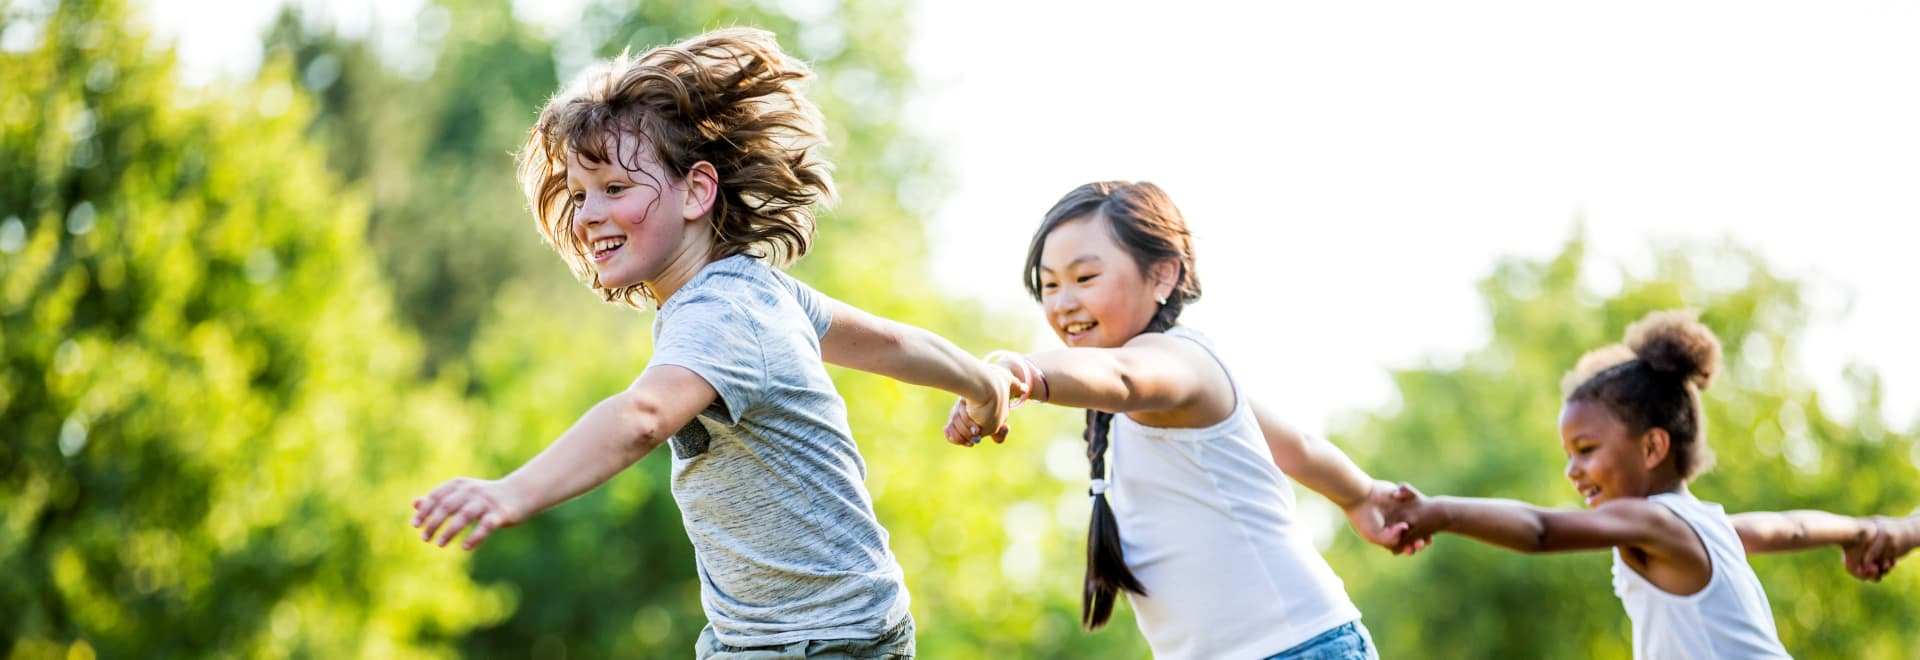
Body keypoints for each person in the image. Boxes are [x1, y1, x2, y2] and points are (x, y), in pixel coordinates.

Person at [410, 28, 1015, 658]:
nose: (588, 214)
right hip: (754, 638)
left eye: (616, 189)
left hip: (827, 642)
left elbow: (643, 417)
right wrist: (983, 385)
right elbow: (890, 346)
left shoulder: (725, 310)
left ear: (697, 191)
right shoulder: (757, 293)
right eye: (581, 194)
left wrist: (513, 491)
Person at [947, 181, 1414, 660]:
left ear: (1163, 276)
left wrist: (1011, 374)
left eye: (1085, 278)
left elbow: (1122, 375)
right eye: (1049, 285)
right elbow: (1296, 447)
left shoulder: (1177, 361)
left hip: (1296, 646)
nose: (1063, 302)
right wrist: (1359, 496)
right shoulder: (1140, 395)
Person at [1380, 310, 1907, 658]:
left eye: (1586, 451)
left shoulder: (1654, 521)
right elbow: (1790, 528)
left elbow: (1540, 529)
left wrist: (1441, 511)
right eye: (1568, 455)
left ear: (1653, 448)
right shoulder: (1709, 527)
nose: (1572, 470)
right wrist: (1868, 531)